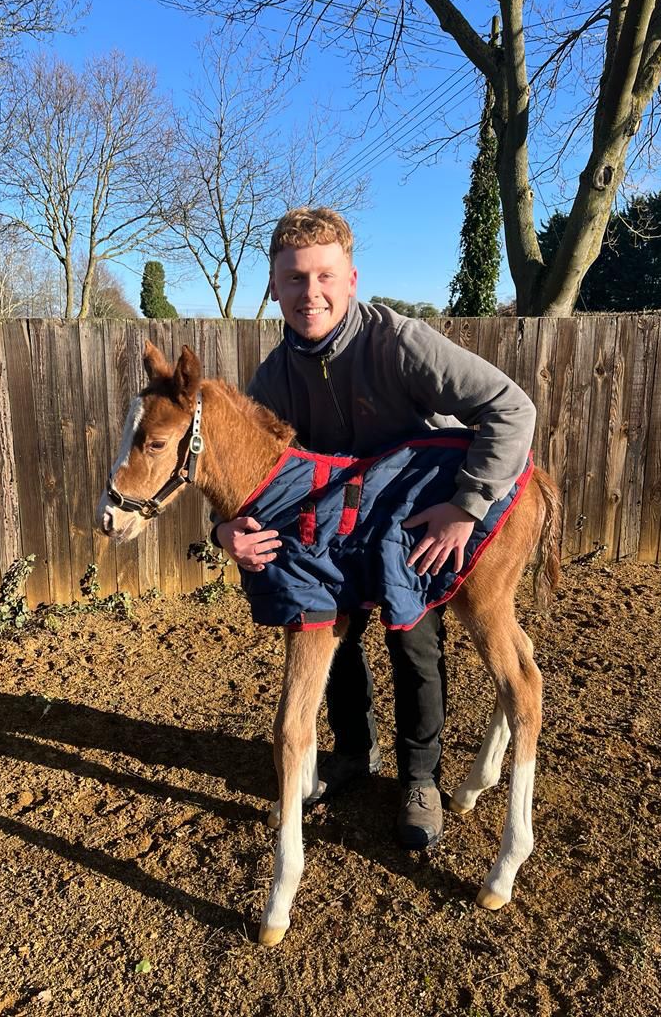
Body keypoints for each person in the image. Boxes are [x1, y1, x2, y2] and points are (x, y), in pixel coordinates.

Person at [214, 207, 536, 848]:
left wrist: (465, 506)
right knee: (334, 633)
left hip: (417, 512)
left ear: (352, 278)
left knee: (413, 640)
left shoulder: (400, 342)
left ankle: (421, 777)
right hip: (335, 533)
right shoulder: (273, 378)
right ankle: (354, 754)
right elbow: (234, 476)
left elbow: (511, 407)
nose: (313, 293)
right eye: (296, 279)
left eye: (325, 276)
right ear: (274, 287)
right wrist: (227, 533)